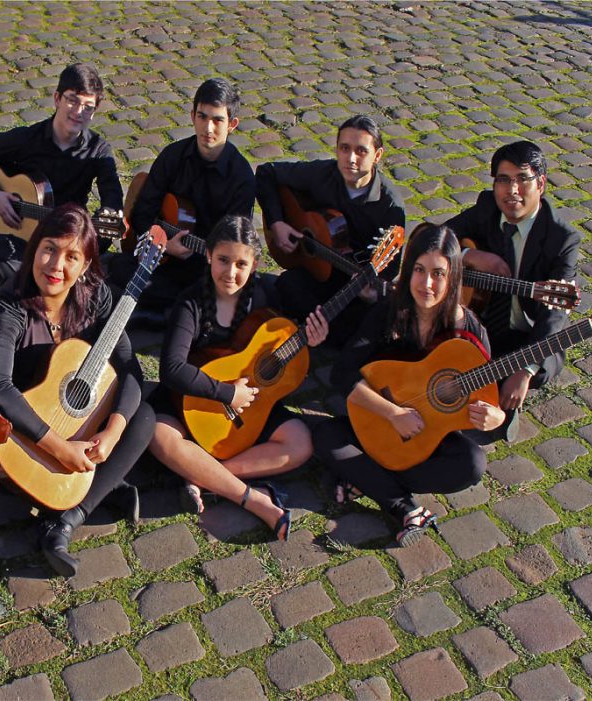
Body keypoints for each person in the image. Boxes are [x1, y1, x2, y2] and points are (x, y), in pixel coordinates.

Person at [0, 204, 154, 577]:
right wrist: (59, 448)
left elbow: (129, 368)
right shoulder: (10, 304)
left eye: (72, 256)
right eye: (49, 249)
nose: (56, 266)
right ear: (34, 247)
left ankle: (68, 519)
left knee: (143, 417)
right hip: (25, 431)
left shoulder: (97, 296)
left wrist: (112, 433)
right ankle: (103, 487)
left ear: (85, 266)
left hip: (77, 419)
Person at [312, 225, 505, 547]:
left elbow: (491, 403)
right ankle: (402, 506)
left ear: (454, 277)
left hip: (427, 440)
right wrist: (392, 413)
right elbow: (343, 375)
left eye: (438, 274)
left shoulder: (470, 332)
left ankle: (368, 479)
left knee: (472, 465)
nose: (427, 284)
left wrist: (497, 419)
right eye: (419, 270)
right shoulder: (388, 312)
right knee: (324, 436)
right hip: (378, 423)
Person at [149, 215, 328, 540]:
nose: (230, 273)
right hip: (188, 402)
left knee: (301, 442)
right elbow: (171, 369)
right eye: (223, 260)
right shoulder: (190, 303)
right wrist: (227, 394)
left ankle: (203, 475)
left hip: (247, 410)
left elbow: (281, 354)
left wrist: (309, 342)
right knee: (158, 435)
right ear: (208, 256)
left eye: (241, 264)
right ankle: (254, 500)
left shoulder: (265, 299)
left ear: (255, 265)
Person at [446, 140, 580, 439]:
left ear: (541, 183)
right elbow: (436, 236)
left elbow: (554, 317)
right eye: (503, 180)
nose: (512, 190)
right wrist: (470, 256)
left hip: (525, 334)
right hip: (479, 323)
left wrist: (526, 369)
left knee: (545, 363)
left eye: (522, 179)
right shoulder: (486, 208)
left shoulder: (562, 239)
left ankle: (502, 403)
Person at [0, 63, 123, 286]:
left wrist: (106, 218)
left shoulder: (98, 151)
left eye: (87, 106)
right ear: (57, 98)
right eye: (72, 100)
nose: (78, 112)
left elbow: (112, 195)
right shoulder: (28, 139)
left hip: (66, 242)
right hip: (24, 242)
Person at [112, 78, 255, 321]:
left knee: (218, 293)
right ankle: (172, 312)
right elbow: (142, 212)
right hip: (163, 256)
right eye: (202, 117)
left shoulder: (241, 177)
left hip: (204, 266)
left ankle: (168, 312)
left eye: (217, 120)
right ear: (192, 116)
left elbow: (235, 242)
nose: (208, 128)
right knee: (117, 268)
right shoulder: (173, 156)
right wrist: (163, 245)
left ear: (232, 124)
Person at [256, 115, 406, 343]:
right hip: (320, 273)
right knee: (288, 288)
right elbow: (267, 173)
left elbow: (390, 267)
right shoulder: (323, 174)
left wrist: (370, 292)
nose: (351, 158)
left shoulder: (390, 207)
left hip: (353, 284)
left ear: (377, 155)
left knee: (368, 323)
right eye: (344, 148)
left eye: (361, 151)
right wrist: (277, 223)